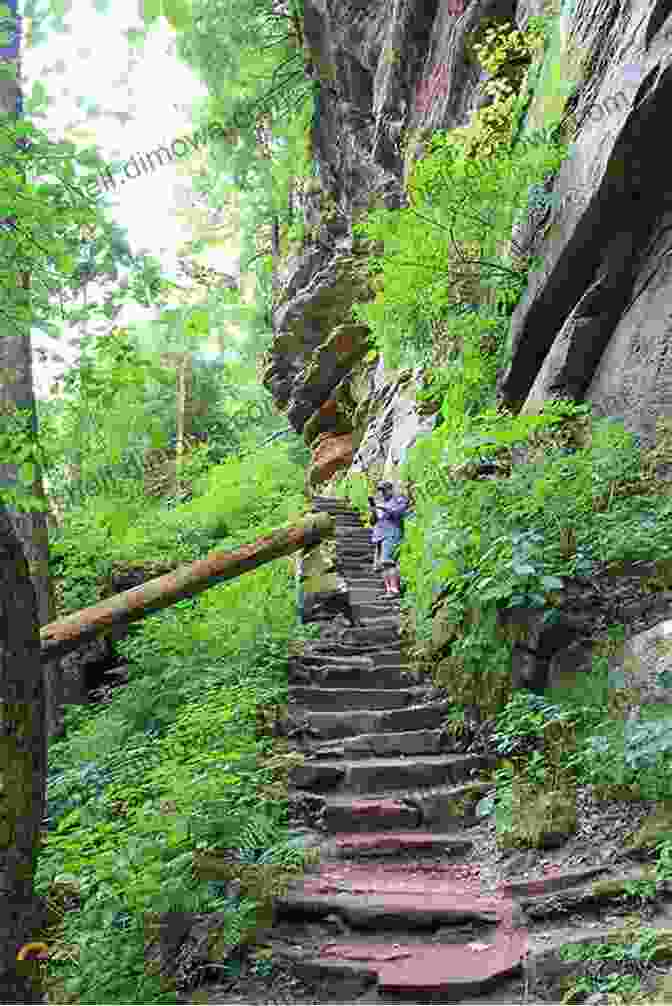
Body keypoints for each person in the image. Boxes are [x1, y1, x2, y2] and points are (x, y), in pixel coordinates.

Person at [368, 481, 409, 596]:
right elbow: (372, 521)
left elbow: (398, 512)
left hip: (392, 534)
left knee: (389, 562)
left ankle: (395, 589)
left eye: (384, 490)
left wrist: (383, 507)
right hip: (379, 536)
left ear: (391, 490)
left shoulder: (398, 500)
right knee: (382, 565)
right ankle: (389, 590)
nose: (382, 493)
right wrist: (373, 511)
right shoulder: (380, 503)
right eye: (380, 491)